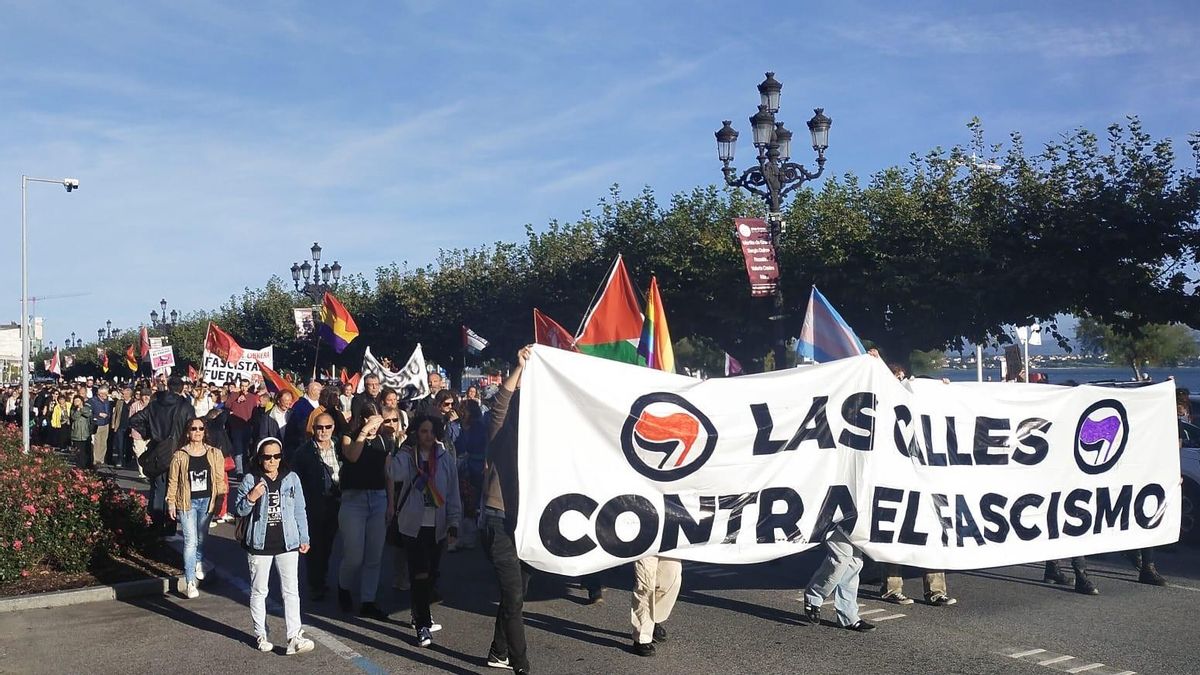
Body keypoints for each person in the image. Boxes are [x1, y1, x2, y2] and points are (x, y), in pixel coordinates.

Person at [388, 413, 461, 648]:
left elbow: (452, 492)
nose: (427, 436)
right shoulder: (409, 456)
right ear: (416, 434)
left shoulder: (445, 457)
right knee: (419, 573)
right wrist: (398, 451)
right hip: (413, 525)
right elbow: (393, 474)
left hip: (437, 526)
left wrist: (454, 523)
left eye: (431, 431)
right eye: (423, 432)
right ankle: (422, 624)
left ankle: (419, 610)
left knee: (431, 574)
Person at [481, 345, 533, 675]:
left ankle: (498, 650)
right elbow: (501, 403)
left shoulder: (543, 440)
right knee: (513, 596)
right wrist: (520, 368)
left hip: (528, 523)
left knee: (516, 595)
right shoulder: (501, 433)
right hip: (498, 520)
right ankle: (522, 666)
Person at [236, 438, 315, 655]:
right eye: (267, 457)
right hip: (259, 544)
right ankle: (261, 634)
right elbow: (240, 510)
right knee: (260, 590)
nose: (272, 461)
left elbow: (300, 509)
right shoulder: (251, 479)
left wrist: (304, 537)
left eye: (277, 456)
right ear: (259, 458)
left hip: (287, 541)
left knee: (291, 591)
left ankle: (294, 637)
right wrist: (252, 496)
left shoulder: (291, 478)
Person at [337, 401, 391, 619]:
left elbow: (388, 474)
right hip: (354, 500)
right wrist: (363, 432)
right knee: (354, 555)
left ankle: (368, 600)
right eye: (370, 418)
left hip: (378, 498)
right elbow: (352, 456)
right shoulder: (348, 437)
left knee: (374, 555)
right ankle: (344, 586)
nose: (375, 423)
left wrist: (391, 504)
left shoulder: (384, 440)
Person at [166, 417, 228, 598]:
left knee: (202, 537)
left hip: (207, 501)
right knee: (190, 540)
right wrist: (171, 502)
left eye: (201, 428)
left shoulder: (214, 453)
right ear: (188, 432)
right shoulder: (180, 455)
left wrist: (219, 501)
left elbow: (219, 480)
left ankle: (199, 561)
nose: (198, 431)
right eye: (194, 428)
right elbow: (173, 481)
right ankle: (190, 581)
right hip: (187, 502)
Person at [129, 377, 197, 535]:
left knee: (158, 489)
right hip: (179, 453)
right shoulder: (186, 407)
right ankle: (169, 526)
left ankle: (155, 525)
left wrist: (150, 434)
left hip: (158, 451)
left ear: (168, 387)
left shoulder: (155, 405)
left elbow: (134, 420)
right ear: (182, 389)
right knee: (174, 490)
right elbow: (193, 430)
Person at [292, 411, 342, 601]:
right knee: (315, 546)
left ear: (333, 428)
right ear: (313, 429)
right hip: (314, 504)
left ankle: (322, 578)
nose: (323, 431)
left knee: (328, 544)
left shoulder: (340, 446)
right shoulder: (303, 452)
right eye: (319, 427)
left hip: (337, 501)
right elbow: (296, 482)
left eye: (327, 427)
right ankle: (316, 584)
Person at [802, 526, 876, 632]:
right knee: (840, 559)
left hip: (858, 520)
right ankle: (813, 597)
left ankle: (848, 616)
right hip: (838, 518)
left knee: (855, 562)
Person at [630, 556, 681, 656]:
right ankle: (642, 637)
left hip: (669, 545)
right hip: (644, 544)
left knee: (672, 579)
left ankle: (653, 620)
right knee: (645, 587)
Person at [109, 387, 133, 468]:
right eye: (123, 394)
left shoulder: (133, 403)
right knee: (120, 444)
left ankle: (128, 460)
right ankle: (119, 460)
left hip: (129, 427)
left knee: (128, 444)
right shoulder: (119, 402)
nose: (123, 395)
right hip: (120, 426)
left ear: (129, 394)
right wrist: (113, 424)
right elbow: (115, 413)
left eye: (125, 394)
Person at [69, 394, 93, 469]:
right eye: (75, 401)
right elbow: (74, 417)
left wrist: (81, 409)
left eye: (78, 401)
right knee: (79, 452)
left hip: (86, 433)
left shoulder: (86, 408)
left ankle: (88, 466)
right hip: (76, 434)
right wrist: (78, 410)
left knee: (87, 451)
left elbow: (88, 414)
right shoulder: (73, 409)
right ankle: (79, 467)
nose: (76, 402)